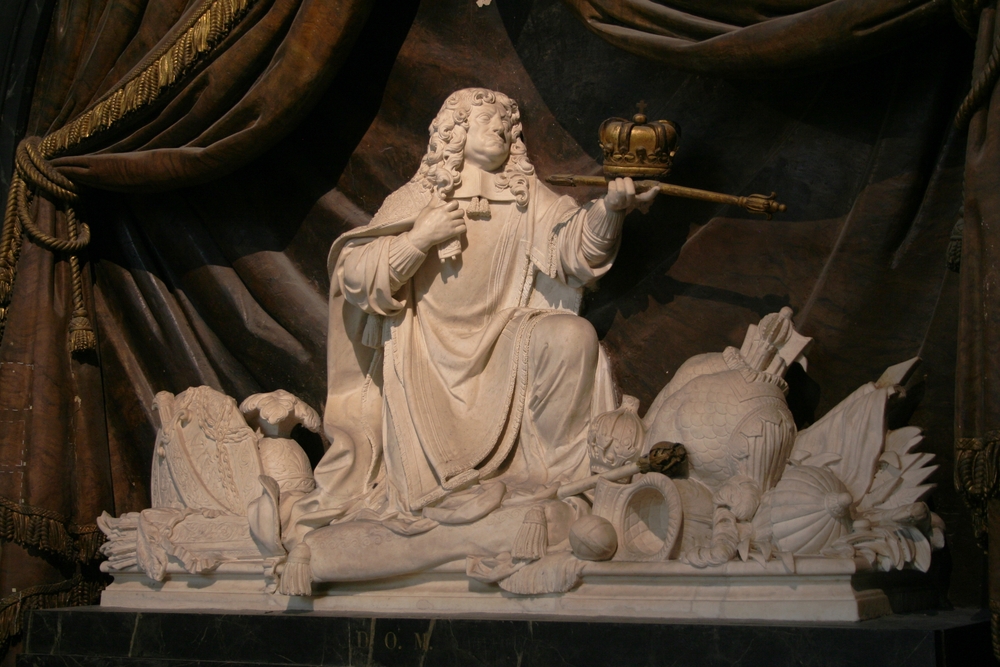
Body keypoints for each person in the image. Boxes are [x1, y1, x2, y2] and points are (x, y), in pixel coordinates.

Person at [284, 88, 657, 550]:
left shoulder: (525, 195)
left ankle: (555, 482)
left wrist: (609, 210)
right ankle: (451, 491)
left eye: (507, 123)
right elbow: (357, 277)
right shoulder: (421, 196)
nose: (501, 127)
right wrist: (418, 239)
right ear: (455, 131)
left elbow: (575, 252)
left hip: (505, 340)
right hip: (425, 356)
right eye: (487, 119)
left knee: (572, 336)